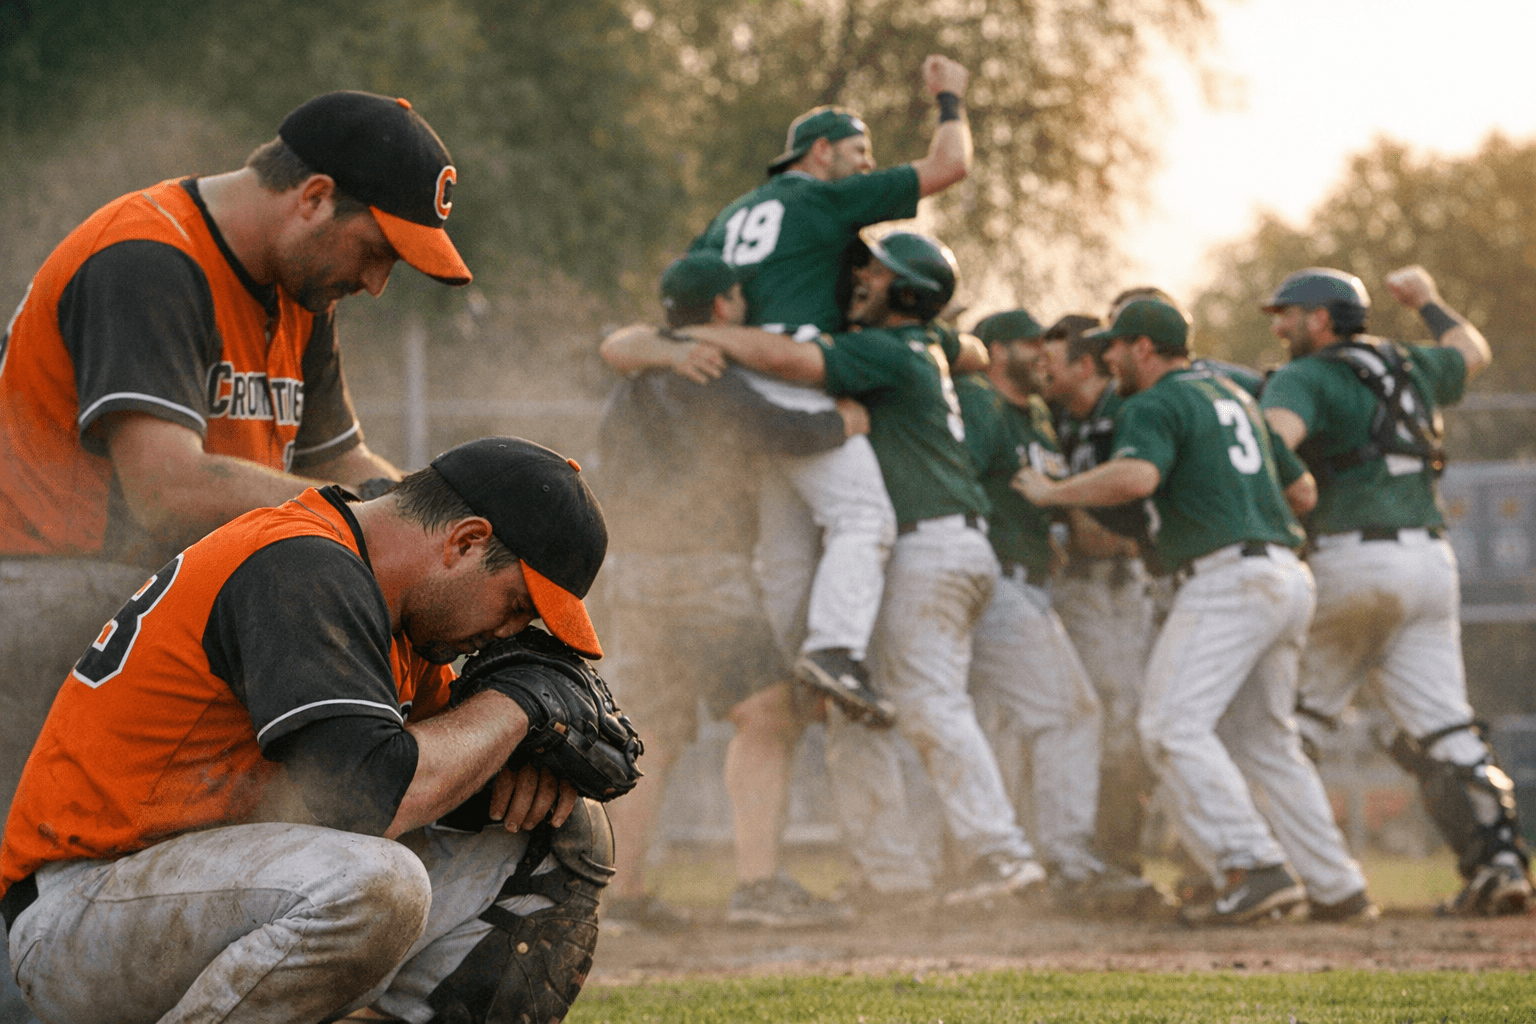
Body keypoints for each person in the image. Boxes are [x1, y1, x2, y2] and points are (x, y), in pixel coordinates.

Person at [0, 436, 616, 1023]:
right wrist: (517, 706)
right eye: (515, 605)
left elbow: (440, 770)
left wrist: (528, 757)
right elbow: (372, 798)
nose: (510, 634)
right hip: (81, 908)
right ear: (465, 542)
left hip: (210, 894)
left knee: (561, 834)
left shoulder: (397, 617)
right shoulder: (301, 563)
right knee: (377, 884)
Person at [0, 89, 473, 834]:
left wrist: (443, 531)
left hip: (158, 589)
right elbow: (168, 491)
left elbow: (342, 461)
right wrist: (370, 522)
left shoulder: (300, 289)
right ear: (315, 198)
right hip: (52, 583)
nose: (378, 283)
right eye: (377, 250)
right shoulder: (147, 260)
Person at [688, 232, 1047, 906]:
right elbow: (960, 343)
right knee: (859, 716)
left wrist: (695, 335)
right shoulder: (931, 344)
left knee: (931, 703)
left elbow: (789, 359)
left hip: (927, 548)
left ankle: (1002, 856)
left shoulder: (889, 348)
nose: (862, 276)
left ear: (908, 291)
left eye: (879, 272)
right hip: (936, 548)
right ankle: (894, 875)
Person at [1015, 299, 1373, 925]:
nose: (1110, 360)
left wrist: (1053, 493)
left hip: (1226, 578)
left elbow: (1136, 477)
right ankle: (1337, 886)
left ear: (1143, 349)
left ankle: (1252, 865)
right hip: (1285, 574)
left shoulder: (1154, 400)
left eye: (1117, 348)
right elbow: (1304, 490)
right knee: (1267, 742)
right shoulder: (1232, 394)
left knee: (1170, 727)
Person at [682, 56, 975, 723]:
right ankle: (834, 650)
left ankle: (795, 668)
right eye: (858, 151)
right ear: (819, 151)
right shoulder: (822, 195)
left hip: (734, 381)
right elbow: (949, 166)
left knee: (786, 550)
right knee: (863, 518)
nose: (867, 167)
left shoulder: (730, 215)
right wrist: (950, 99)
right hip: (794, 374)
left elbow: (686, 288)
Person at [595, 253, 865, 929]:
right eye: (738, 296)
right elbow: (784, 430)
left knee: (651, 732)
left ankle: (624, 900)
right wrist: (846, 423)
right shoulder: (706, 372)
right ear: (722, 307)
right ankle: (758, 887)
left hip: (636, 572)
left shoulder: (634, 379)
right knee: (768, 715)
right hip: (704, 572)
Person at [1258, 265, 1532, 917]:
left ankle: (1276, 868)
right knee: (1445, 725)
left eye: (1288, 315)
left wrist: (1291, 490)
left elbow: (1271, 446)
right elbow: (1473, 349)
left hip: (1350, 558)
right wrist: (1429, 301)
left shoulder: (1307, 375)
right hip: (1430, 561)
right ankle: (1500, 865)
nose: (1279, 326)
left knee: (1294, 720)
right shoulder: (1409, 363)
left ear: (1321, 320)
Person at [957, 311, 1160, 915]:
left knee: (1014, 729)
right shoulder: (979, 404)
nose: (1041, 355)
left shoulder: (1039, 417)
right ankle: (1064, 862)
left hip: (1034, 582)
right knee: (1068, 714)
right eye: (1027, 345)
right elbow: (954, 483)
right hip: (993, 581)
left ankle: (1015, 866)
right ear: (997, 352)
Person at [1033, 313, 1161, 878]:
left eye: (1052, 361)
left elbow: (1135, 512)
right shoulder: (1057, 418)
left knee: (1121, 714)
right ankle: (1079, 849)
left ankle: (1119, 851)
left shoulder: (1125, 411)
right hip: (1072, 581)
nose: (1041, 371)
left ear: (1084, 366)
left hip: (1120, 584)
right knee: (1075, 713)